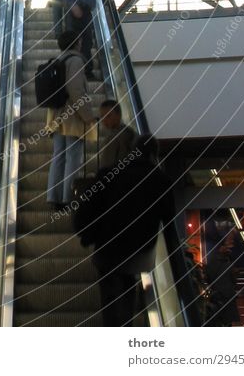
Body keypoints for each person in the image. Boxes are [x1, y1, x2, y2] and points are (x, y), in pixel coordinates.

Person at [75, 134, 175, 327]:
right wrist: (177, 270)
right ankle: (126, 326)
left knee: (109, 294)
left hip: (107, 245)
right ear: (154, 154)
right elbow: (169, 224)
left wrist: (85, 234)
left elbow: (87, 208)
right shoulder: (161, 181)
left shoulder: (109, 173)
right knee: (128, 285)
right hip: (138, 250)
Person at [45, 30, 94, 210]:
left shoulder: (59, 60)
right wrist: (88, 116)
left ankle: (53, 196)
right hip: (71, 116)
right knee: (73, 157)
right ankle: (68, 198)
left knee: (58, 156)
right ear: (75, 43)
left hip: (56, 115)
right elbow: (75, 91)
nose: (81, 43)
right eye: (79, 40)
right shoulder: (76, 61)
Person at [61, 0, 126, 79]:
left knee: (87, 43)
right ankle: (72, 72)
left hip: (86, 14)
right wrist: (73, 6)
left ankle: (86, 71)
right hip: (74, 14)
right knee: (73, 43)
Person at [204, 238, 240, 326]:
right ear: (220, 247)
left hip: (221, 295)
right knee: (224, 320)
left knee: (224, 321)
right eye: (226, 246)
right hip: (222, 295)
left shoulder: (221, 259)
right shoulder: (219, 261)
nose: (228, 248)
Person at [98, 99, 138, 170]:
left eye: (108, 116)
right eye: (102, 117)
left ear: (119, 115)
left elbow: (106, 167)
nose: (104, 120)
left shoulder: (112, 138)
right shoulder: (131, 132)